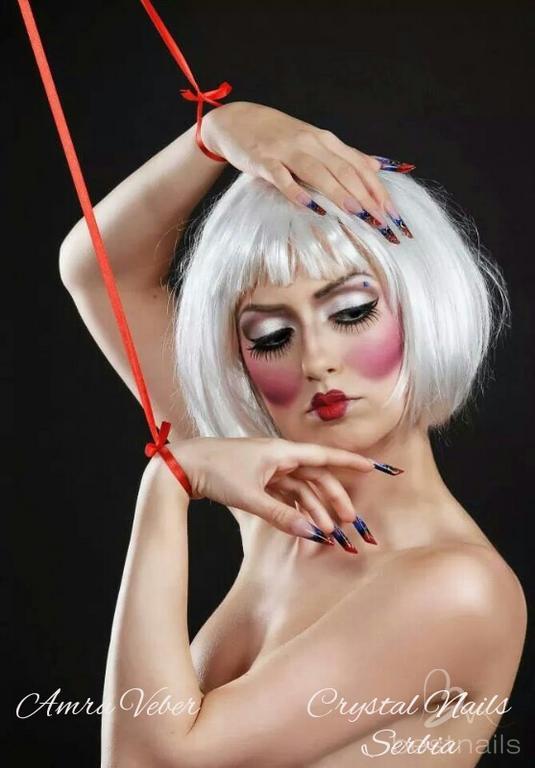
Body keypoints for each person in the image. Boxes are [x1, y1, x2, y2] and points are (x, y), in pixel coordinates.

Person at [59, 102, 527, 767]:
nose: (315, 361)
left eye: (352, 312)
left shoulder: (456, 589)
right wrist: (216, 134)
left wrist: (167, 482)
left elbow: (146, 760)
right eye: (271, 336)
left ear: (423, 305)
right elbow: (97, 269)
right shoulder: (282, 500)